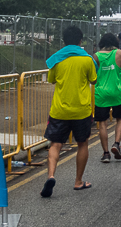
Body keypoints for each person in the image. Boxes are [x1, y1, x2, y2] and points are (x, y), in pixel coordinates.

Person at [41, 25, 97, 197]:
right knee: (82, 143)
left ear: (64, 41)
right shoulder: (87, 60)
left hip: (60, 110)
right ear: (81, 41)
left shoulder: (57, 60)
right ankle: (78, 181)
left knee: (55, 144)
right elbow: (93, 80)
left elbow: (52, 80)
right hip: (81, 110)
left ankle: (51, 176)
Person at [94, 33, 121, 163]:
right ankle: (116, 144)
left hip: (101, 94)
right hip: (117, 92)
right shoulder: (120, 54)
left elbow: (94, 78)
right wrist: (118, 70)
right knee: (120, 119)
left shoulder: (96, 56)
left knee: (102, 123)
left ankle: (105, 154)